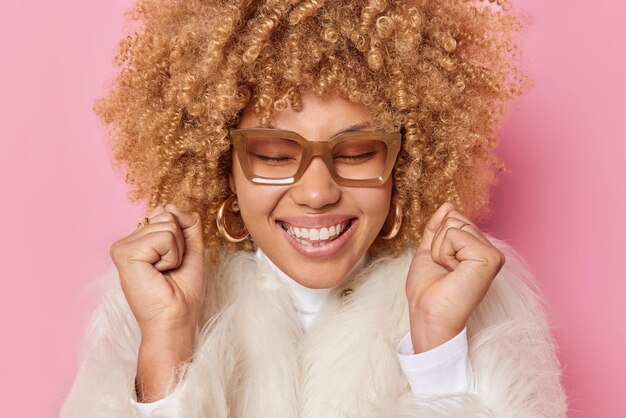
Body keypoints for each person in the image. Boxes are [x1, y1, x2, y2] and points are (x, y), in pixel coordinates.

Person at [60, 0, 568, 417]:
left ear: (403, 163)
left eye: (357, 152)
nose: (318, 192)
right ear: (222, 166)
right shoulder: (149, 307)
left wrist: (437, 350)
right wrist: (167, 346)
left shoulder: (475, 303)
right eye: (276, 155)